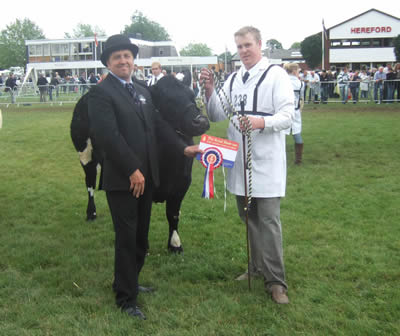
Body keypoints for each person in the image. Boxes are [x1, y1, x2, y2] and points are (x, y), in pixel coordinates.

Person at [88, 34, 201, 320]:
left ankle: (128, 280)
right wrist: (131, 169)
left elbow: (159, 126)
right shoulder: (101, 94)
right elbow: (108, 137)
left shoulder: (141, 91)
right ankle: (126, 299)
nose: (124, 61)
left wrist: (183, 147)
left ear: (133, 60)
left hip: (146, 177)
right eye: (117, 57)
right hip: (123, 180)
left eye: (127, 56)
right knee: (126, 238)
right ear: (108, 63)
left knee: (140, 238)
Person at [200, 26, 294, 304]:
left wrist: (260, 122)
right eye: (239, 47)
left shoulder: (276, 75)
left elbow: (288, 115)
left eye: (247, 45)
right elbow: (216, 113)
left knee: (268, 221)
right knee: (248, 219)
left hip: (266, 162)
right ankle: (255, 267)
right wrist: (208, 90)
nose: (243, 51)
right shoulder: (232, 78)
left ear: (260, 44)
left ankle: (276, 282)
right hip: (239, 161)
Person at [284, 63, 304, 164]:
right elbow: (301, 97)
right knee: (296, 132)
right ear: (294, 71)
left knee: (281, 133)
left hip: (283, 110)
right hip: (295, 110)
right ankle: (298, 159)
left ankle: (278, 157)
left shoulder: (282, 81)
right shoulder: (300, 83)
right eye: (298, 71)